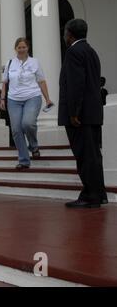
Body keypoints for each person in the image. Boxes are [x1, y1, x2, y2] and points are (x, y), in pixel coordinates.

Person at [59, 19, 107, 208]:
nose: (64, 36)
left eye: (65, 32)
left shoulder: (73, 52)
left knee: (85, 156)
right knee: (94, 155)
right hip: (93, 113)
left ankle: (91, 195)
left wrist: (73, 112)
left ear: (69, 34)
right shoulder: (91, 51)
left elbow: (76, 85)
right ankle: (99, 193)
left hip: (80, 116)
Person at [0, 38, 53, 170]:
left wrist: (47, 99)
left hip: (32, 97)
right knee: (17, 130)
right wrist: (2, 99)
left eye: (24, 47)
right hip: (13, 100)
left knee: (28, 123)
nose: (22, 49)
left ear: (28, 48)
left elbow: (41, 81)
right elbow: (5, 82)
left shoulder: (35, 62)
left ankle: (33, 146)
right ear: (16, 49)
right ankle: (24, 160)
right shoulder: (10, 63)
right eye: (19, 47)